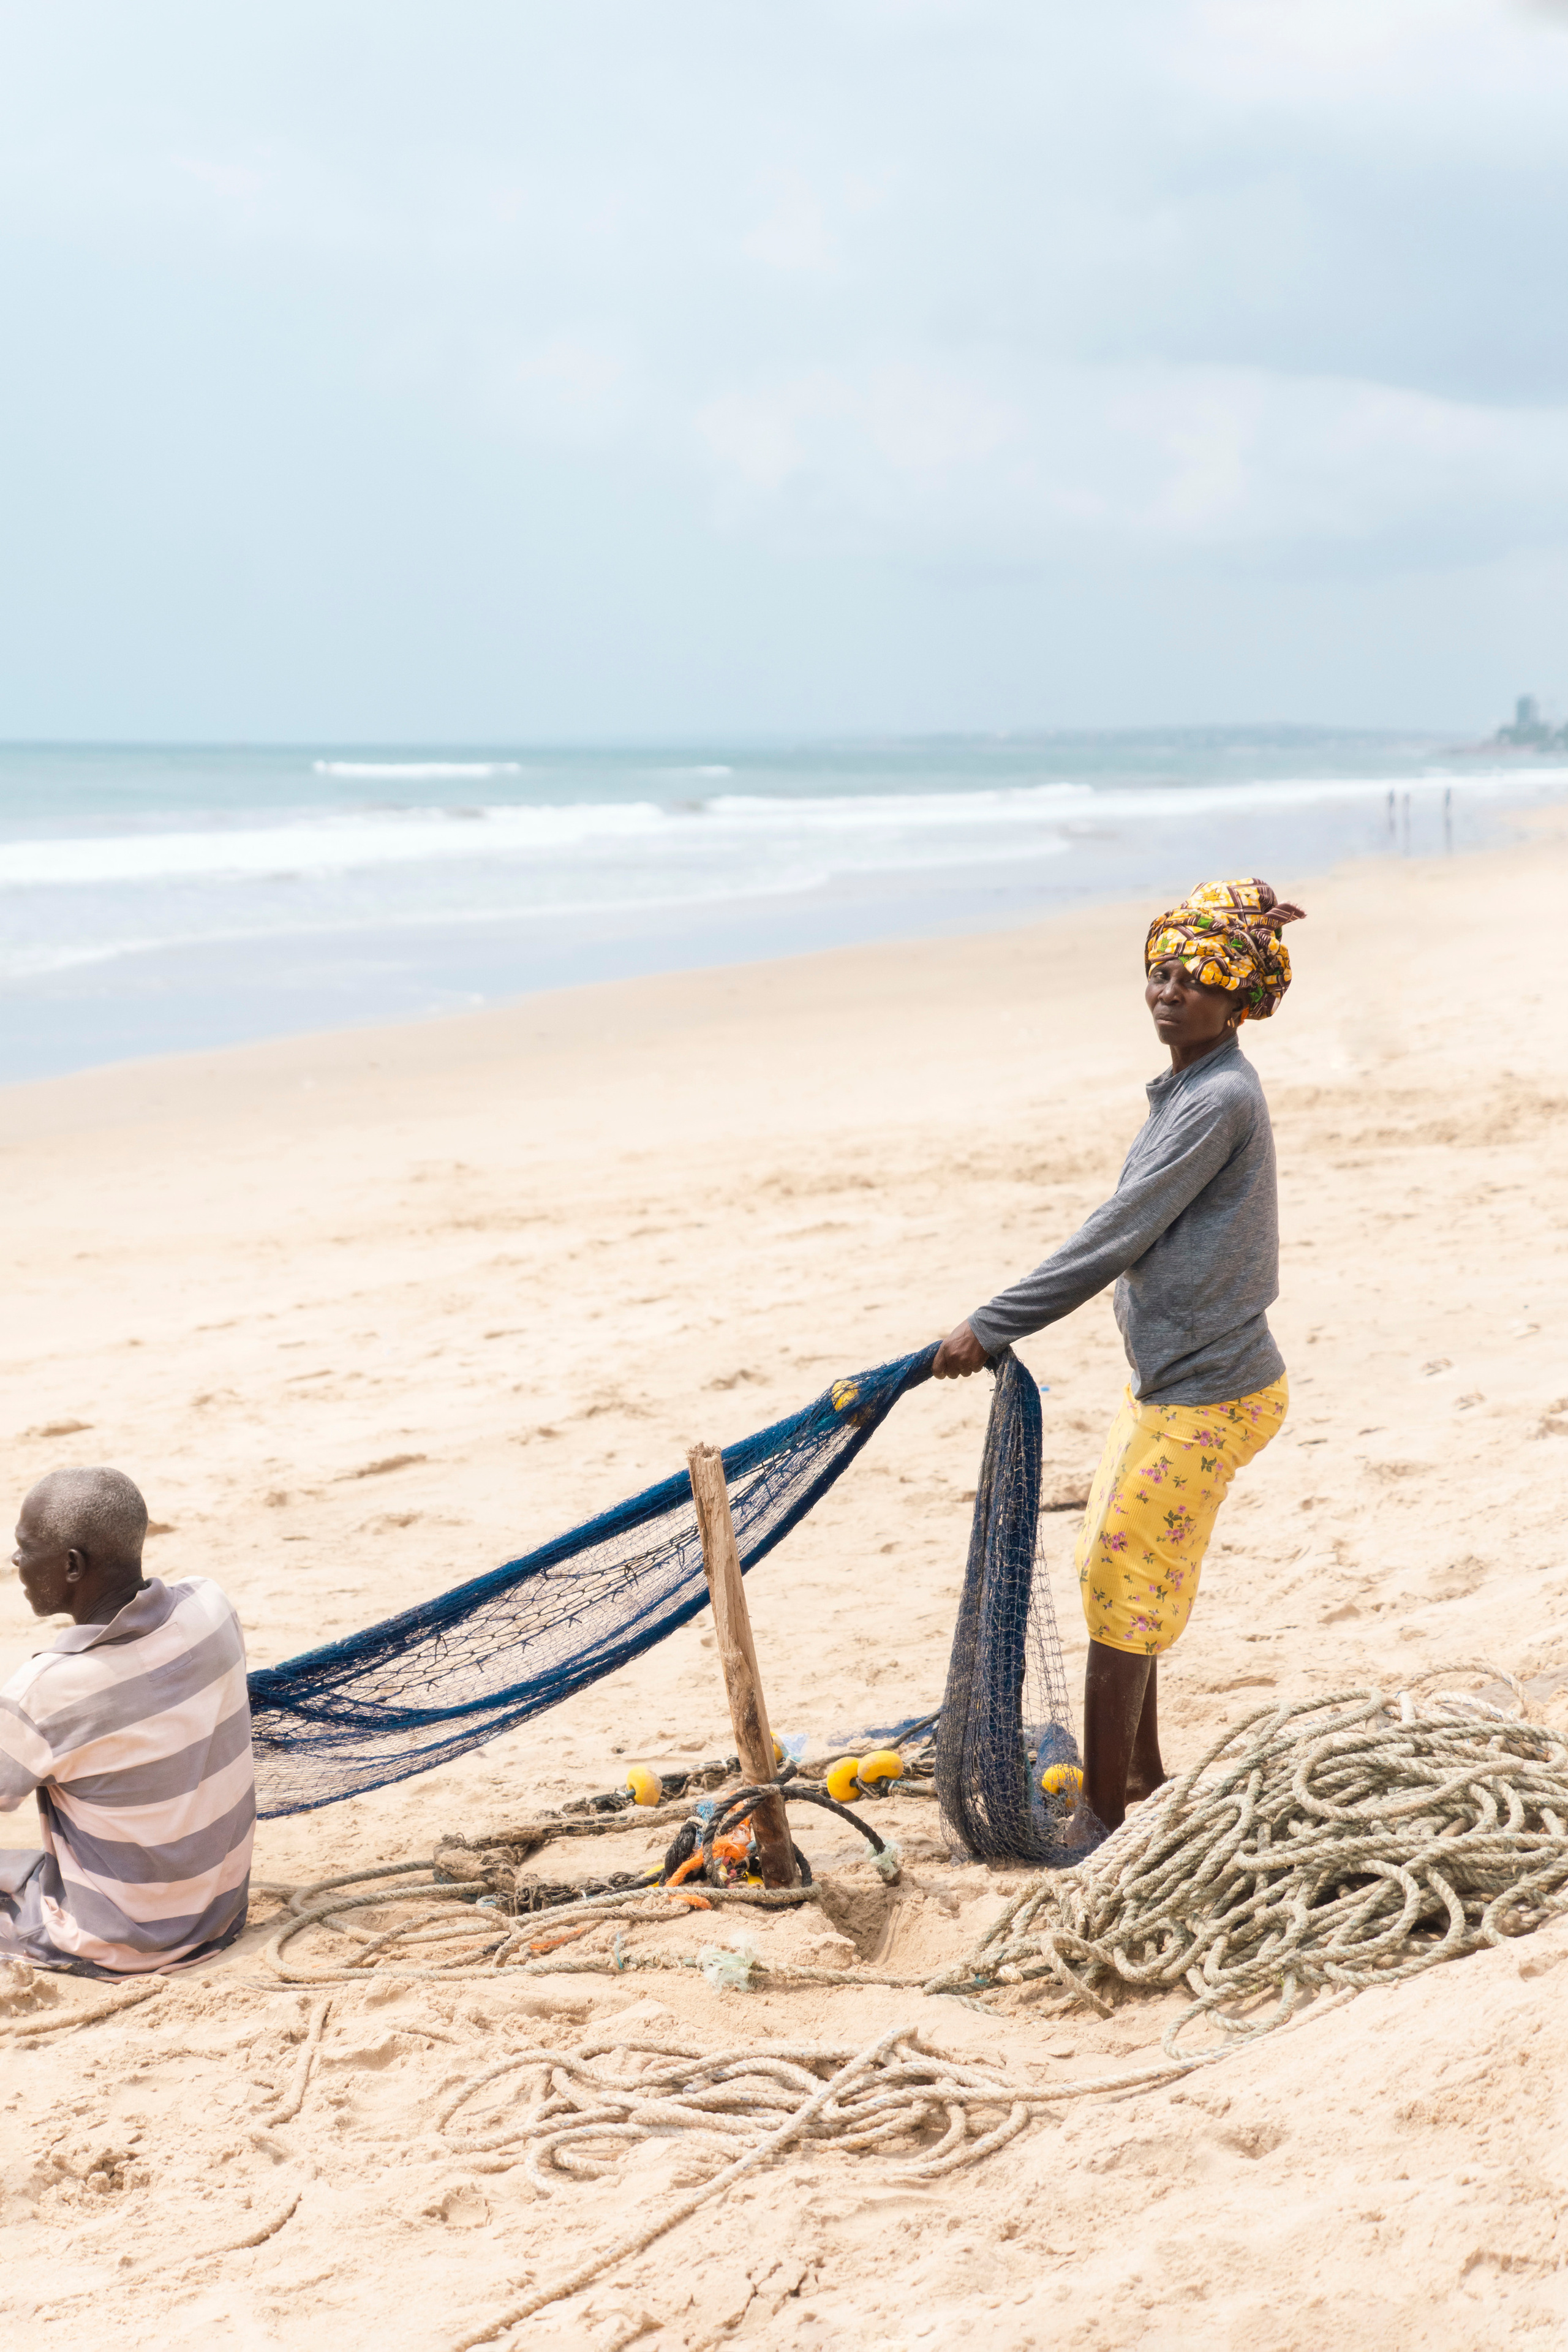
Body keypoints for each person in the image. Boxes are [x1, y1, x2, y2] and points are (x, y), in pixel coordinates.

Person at [933, 877, 1304, 1840]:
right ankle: (1139, 1772)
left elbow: (1116, 1233)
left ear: (1240, 1000)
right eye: (1161, 972)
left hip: (1211, 1393)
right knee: (1116, 1566)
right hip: (1172, 1386)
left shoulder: (1217, 1097)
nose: (1170, 991)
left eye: (1196, 979)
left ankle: (1101, 1815)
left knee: (1122, 1585)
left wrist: (994, 1325)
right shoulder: (1189, 1086)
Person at [1, 1466, 253, 1975]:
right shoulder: (210, 1605)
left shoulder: (47, 1690)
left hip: (121, 1942)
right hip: (219, 1915)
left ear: (72, 1566)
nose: (16, 1560)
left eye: (26, 1548)